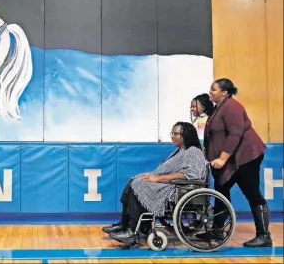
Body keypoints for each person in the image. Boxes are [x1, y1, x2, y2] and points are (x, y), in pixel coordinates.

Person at [102, 122, 207, 244]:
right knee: (134, 180)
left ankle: (131, 231)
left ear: (185, 135)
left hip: (178, 187)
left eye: (175, 134)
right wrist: (153, 176)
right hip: (171, 184)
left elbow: (190, 175)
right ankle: (124, 224)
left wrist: (157, 179)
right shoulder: (179, 151)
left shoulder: (193, 151)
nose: (172, 136)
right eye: (172, 133)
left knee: (139, 185)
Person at [196, 78, 272, 248]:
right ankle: (217, 229)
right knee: (221, 190)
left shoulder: (232, 107)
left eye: (213, 89)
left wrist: (222, 158)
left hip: (245, 157)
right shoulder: (218, 109)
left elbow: (235, 134)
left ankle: (264, 235)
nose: (210, 92)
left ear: (225, 92)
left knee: (252, 194)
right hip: (231, 159)